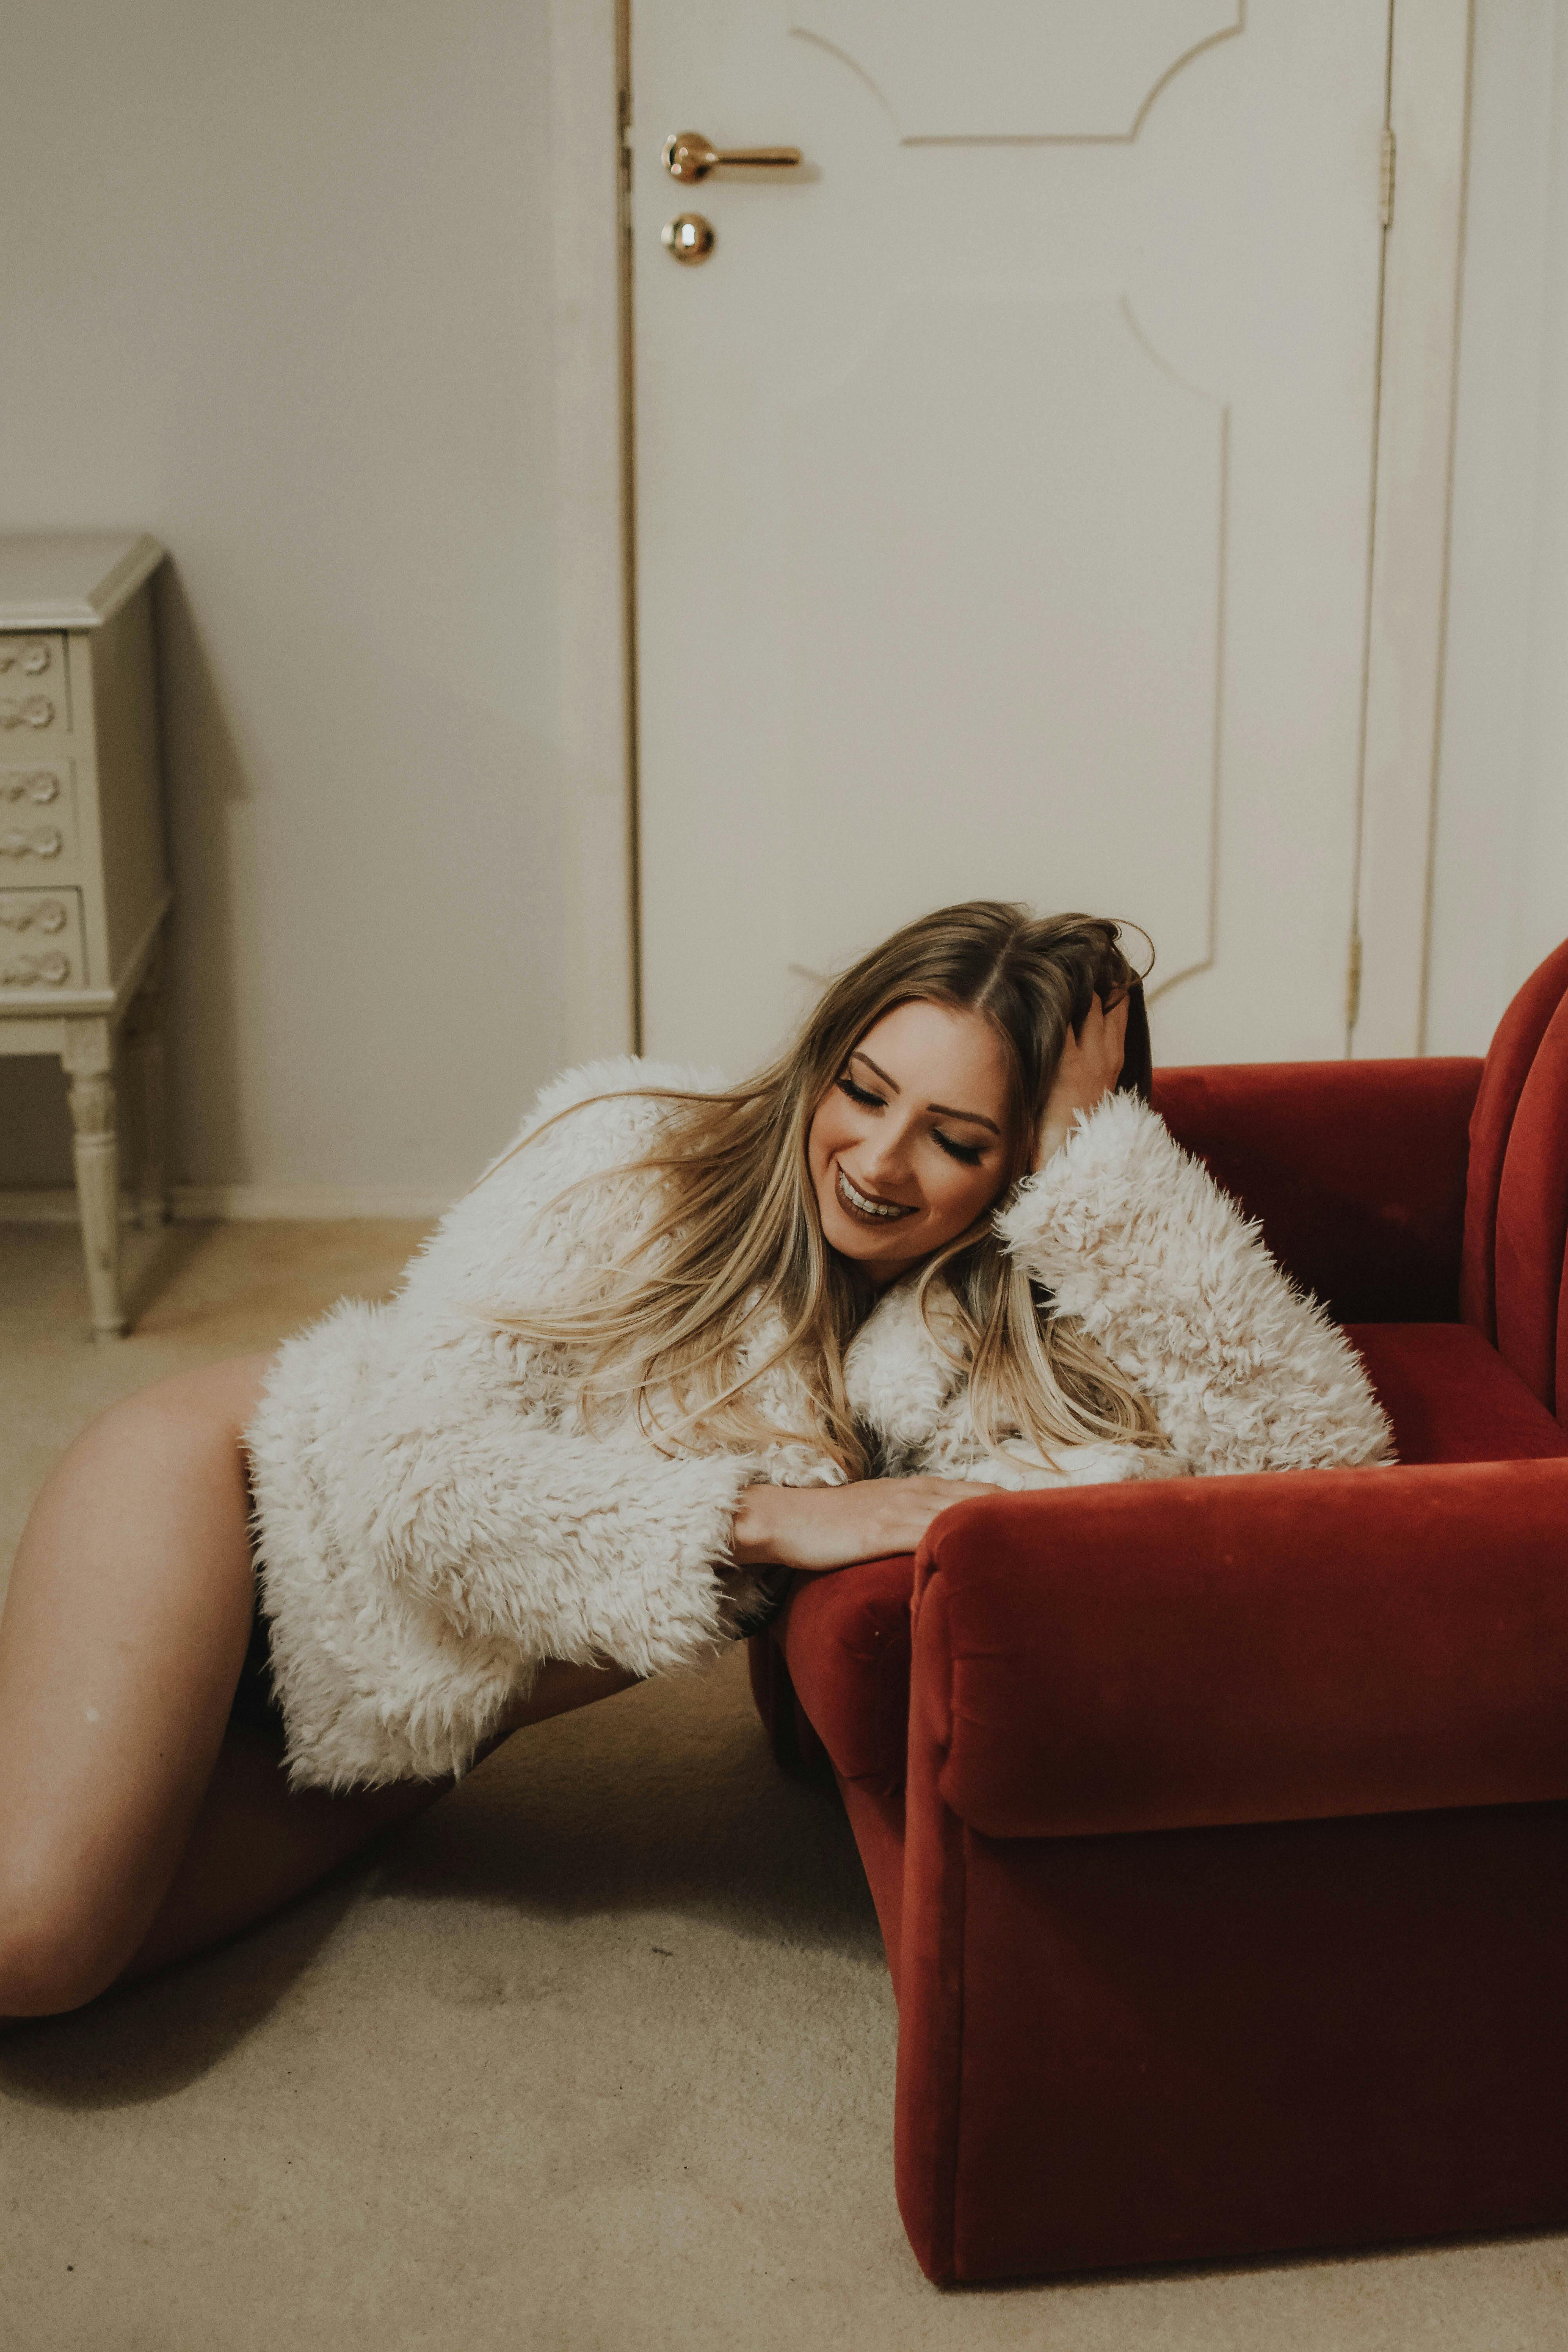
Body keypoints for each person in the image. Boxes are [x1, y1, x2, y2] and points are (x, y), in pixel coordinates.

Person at [0, 902, 1390, 2017]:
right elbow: (404, 1478)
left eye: (959, 1139)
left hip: (400, 1718)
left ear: (1020, 1165)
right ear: (825, 1053)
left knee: (86, 1958)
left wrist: (1104, 1165)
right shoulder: (631, 1150)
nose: (880, 1159)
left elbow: (1322, 1463)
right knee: (38, 1950)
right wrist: (760, 1521)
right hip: (238, 1502)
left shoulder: (947, 1353)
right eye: (863, 1088)